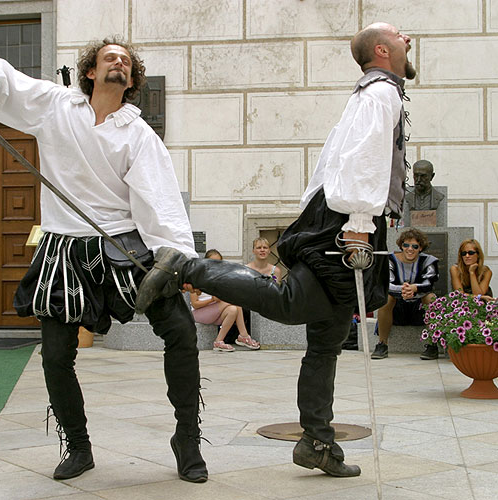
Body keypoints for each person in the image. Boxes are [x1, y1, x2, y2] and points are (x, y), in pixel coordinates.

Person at [136, 22, 415, 478]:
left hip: (340, 217)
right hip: (349, 223)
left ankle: (317, 443)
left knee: (326, 340)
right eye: (400, 35)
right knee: (290, 306)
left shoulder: (375, 92)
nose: (409, 39)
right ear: (382, 50)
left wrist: (330, 218)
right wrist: (359, 224)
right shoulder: (381, 92)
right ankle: (185, 264)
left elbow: (333, 162)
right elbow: (360, 158)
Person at [0, 37, 208, 483]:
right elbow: (12, 85)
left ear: (131, 79)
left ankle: (186, 438)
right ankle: (78, 445)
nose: (118, 63)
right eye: (110, 57)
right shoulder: (57, 106)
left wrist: (179, 258)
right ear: (90, 70)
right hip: (63, 247)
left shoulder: (138, 134)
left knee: (182, 333)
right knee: (55, 356)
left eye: (125, 61)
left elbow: (160, 200)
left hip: (125, 246)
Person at [371, 228, 438, 360]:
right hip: (397, 308)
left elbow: (429, 283)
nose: (410, 249)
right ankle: (382, 344)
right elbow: (386, 283)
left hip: (418, 309)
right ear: (401, 245)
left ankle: (432, 345)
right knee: (386, 298)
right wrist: (405, 290)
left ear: (420, 248)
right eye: (406, 245)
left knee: (431, 298)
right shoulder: (389, 259)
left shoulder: (429, 261)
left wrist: (414, 288)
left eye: (415, 246)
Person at [190, 249, 260, 352]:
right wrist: (212, 299)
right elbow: (195, 304)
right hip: (199, 313)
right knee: (234, 302)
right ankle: (244, 335)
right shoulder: (197, 278)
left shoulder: (220, 278)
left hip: (216, 312)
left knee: (233, 310)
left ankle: (219, 341)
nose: (216, 265)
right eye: (212, 261)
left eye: (219, 262)